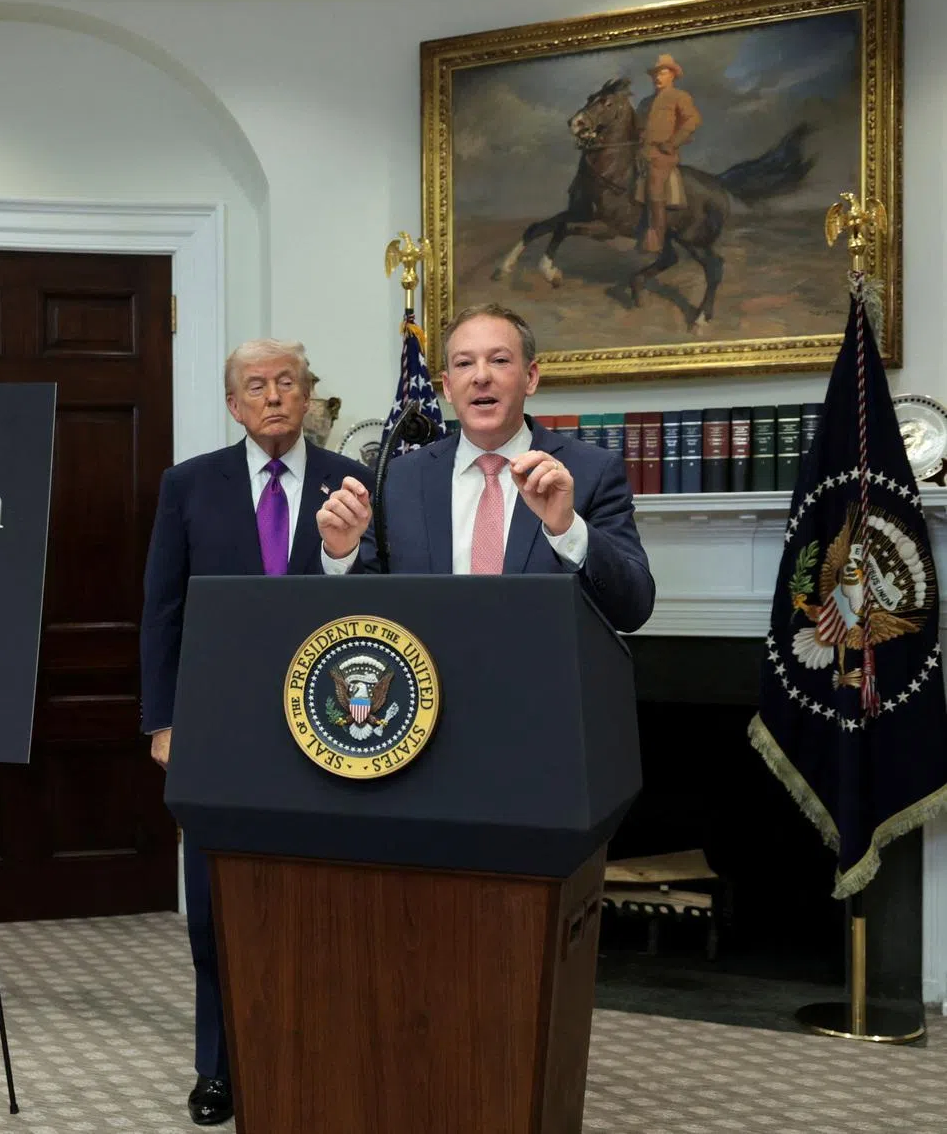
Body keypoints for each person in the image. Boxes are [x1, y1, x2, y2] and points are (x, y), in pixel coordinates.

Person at [140, 339, 375, 1126]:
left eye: (287, 382)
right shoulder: (188, 486)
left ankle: (321, 1053)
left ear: (309, 396)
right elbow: (162, 611)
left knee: (322, 901)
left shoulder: (359, 484)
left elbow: (387, 598)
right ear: (234, 406)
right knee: (216, 906)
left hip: (337, 723)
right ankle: (219, 1066)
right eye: (255, 386)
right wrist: (163, 719)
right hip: (217, 730)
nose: (273, 397)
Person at [316, 304, 654, 633]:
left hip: (544, 686)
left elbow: (633, 609)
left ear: (530, 377)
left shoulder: (589, 471)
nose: (481, 377)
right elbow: (368, 610)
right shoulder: (400, 479)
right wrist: (343, 554)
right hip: (432, 684)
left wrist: (568, 528)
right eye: (464, 363)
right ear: (448, 387)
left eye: (500, 360)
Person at [638, 53, 701, 254]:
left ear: (672, 75)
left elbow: (692, 121)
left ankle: (656, 236)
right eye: (655, 74)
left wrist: (673, 143)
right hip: (641, 152)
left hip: (662, 154)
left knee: (655, 184)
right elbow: (637, 127)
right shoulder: (645, 102)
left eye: (662, 73)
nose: (657, 77)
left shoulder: (679, 97)